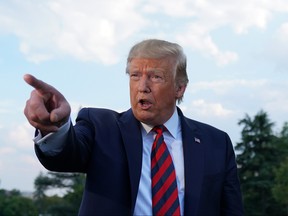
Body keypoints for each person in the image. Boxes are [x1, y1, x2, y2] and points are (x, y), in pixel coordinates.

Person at [24, 39, 244, 215]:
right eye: (135, 75)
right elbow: (66, 153)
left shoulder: (216, 143)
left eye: (156, 77)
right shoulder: (101, 127)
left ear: (180, 88)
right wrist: (57, 126)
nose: (142, 87)